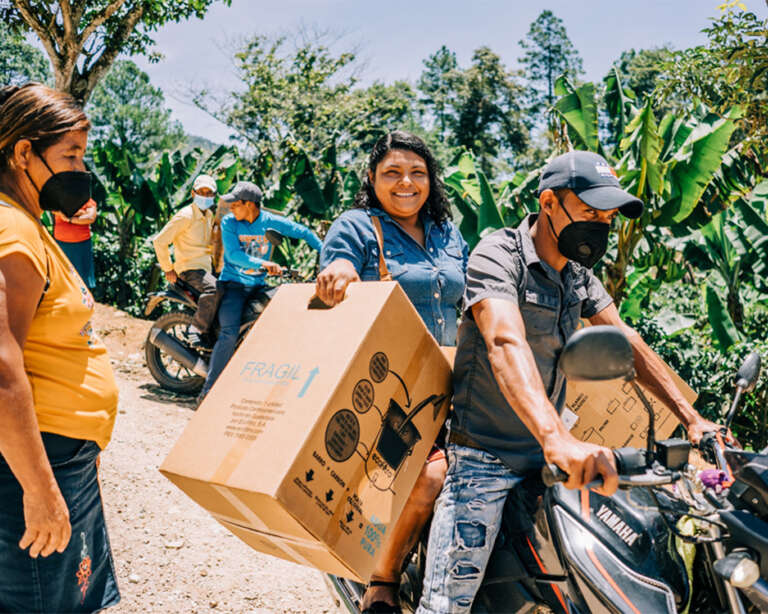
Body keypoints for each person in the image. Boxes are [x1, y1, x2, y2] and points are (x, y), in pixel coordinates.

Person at [415, 150, 732, 614]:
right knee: (447, 604)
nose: (601, 225)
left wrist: (692, 419)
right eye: (590, 212)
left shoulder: (577, 274)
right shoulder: (498, 255)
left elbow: (625, 340)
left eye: (607, 216)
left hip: (550, 457)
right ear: (549, 202)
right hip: (485, 455)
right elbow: (505, 341)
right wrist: (555, 438)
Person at [316, 130, 468, 614]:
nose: (406, 183)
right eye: (392, 173)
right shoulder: (360, 226)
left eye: (417, 172)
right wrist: (340, 270)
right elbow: (338, 260)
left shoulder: (447, 231)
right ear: (372, 178)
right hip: (394, 383)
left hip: (456, 377)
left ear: (431, 179)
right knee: (430, 475)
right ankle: (383, 578)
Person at [0, 83, 120, 613]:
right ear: (23, 152)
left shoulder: (31, 225)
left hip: (62, 455)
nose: (80, 168)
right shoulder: (12, 231)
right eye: (69, 154)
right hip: (36, 464)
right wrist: (40, 488)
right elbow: (2, 369)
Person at [199, 180, 323, 400]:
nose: (231, 208)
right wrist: (264, 264)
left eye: (235, 204)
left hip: (259, 286)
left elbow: (303, 232)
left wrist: (327, 254)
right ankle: (207, 392)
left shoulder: (269, 222)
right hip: (233, 285)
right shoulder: (230, 223)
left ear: (249, 204)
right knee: (229, 333)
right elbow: (233, 256)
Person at [152, 174, 219, 347]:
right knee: (215, 289)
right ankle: (195, 330)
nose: (205, 196)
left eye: (209, 193)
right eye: (201, 192)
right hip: (190, 269)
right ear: (193, 193)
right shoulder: (186, 215)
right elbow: (159, 241)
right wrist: (168, 269)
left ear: (214, 196)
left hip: (205, 270)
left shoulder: (210, 216)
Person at [53, 198, 97, 288]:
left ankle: (83, 301)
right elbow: (55, 210)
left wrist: (69, 219)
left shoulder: (87, 200)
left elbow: (90, 217)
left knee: (83, 282)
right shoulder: (60, 196)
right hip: (62, 245)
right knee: (63, 281)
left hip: (81, 245)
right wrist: (80, 213)